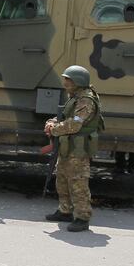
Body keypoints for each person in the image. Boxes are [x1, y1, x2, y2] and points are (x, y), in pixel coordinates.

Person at [44, 65, 103, 232]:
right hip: (68, 145)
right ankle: (65, 211)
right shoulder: (76, 96)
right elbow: (66, 116)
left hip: (78, 147)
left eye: (68, 79)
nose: (65, 82)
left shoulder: (86, 100)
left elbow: (75, 124)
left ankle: (82, 217)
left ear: (78, 81)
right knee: (62, 178)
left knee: (78, 182)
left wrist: (54, 129)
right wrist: (52, 121)